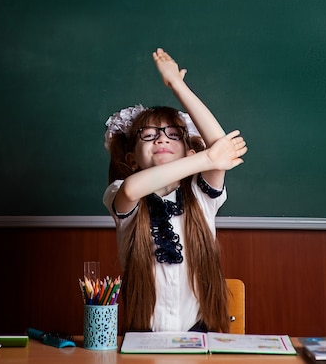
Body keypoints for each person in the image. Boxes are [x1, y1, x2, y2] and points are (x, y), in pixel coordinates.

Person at [103, 48, 247, 334]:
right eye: (149, 135)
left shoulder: (201, 196)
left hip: (199, 333)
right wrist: (207, 157)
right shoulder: (122, 191)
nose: (161, 139)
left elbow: (219, 145)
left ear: (188, 151)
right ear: (131, 158)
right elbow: (133, 188)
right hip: (142, 337)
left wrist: (177, 85)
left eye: (173, 134)